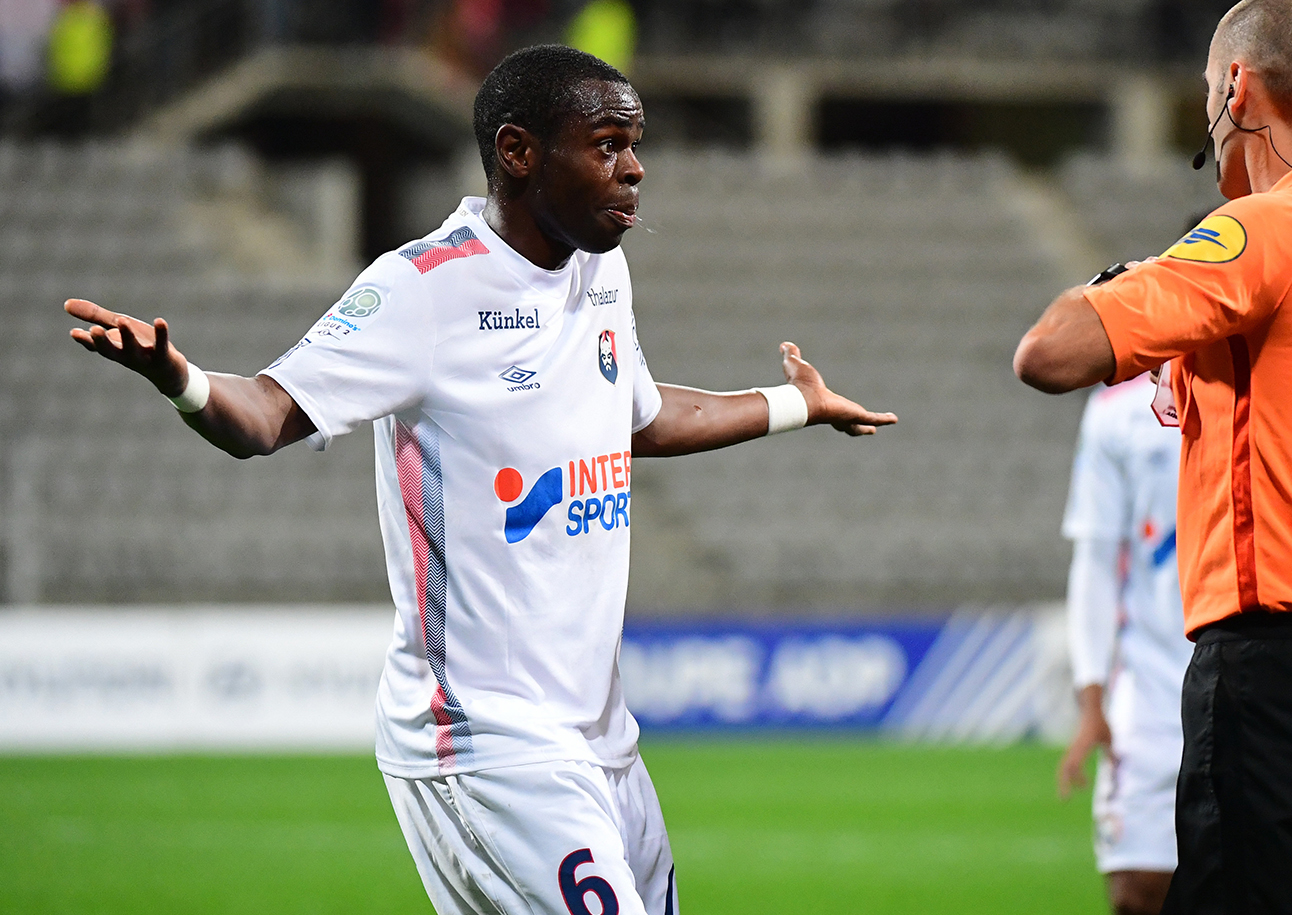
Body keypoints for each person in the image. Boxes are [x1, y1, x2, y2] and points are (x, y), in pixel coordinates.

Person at [65, 45, 896, 915]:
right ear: (518, 151)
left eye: (635, 142)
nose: (636, 166)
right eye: (608, 143)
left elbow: (638, 417)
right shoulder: (422, 288)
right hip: (484, 737)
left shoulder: (600, 268)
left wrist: (792, 403)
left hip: (601, 737)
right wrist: (183, 380)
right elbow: (266, 415)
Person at [1014, 1, 1292, 907]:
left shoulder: (1256, 233)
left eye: (1210, 89)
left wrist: (1145, 271)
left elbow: (1049, 351)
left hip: (1268, 669)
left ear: (1237, 89)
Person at [1058, 374, 1192, 915]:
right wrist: (1092, 700)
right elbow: (1094, 558)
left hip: (1257, 676)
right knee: (1136, 890)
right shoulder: (1117, 410)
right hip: (1150, 686)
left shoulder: (1263, 374)